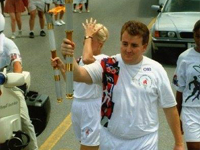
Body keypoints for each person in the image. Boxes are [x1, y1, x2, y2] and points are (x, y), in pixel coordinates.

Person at [61, 20, 185, 150]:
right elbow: (78, 74)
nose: (128, 50)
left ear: (144, 46)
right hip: (111, 140)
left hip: (144, 141)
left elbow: (170, 108)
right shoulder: (109, 65)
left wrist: (179, 143)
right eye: (125, 44)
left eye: (134, 45)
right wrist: (69, 56)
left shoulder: (156, 70)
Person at [51, 18, 109, 150]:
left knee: (88, 147)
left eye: (89, 39)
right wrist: (61, 67)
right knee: (87, 143)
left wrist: (88, 34)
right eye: (85, 38)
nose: (85, 41)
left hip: (92, 108)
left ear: (100, 43)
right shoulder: (80, 60)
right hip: (78, 105)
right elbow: (73, 83)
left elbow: (88, 59)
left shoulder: (104, 60)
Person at [0, 13, 38, 150]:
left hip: (8, 86)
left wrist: (13, 77)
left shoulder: (8, 44)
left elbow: (17, 64)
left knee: (25, 121)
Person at [173, 19, 200, 150]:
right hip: (191, 111)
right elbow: (180, 89)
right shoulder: (184, 57)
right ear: (193, 35)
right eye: (198, 36)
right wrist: (177, 117)